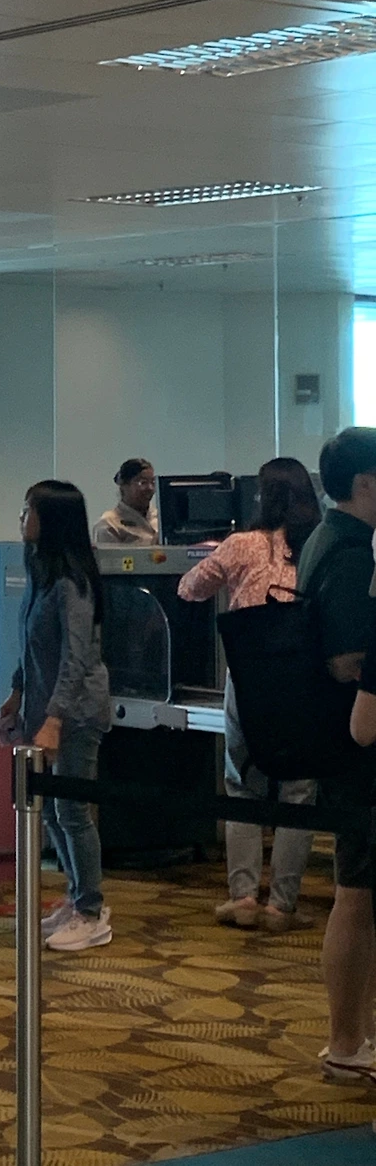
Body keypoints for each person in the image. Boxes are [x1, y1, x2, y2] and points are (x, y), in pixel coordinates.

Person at [178, 458, 322, 931]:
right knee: (298, 792)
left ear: (263, 497)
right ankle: (282, 905)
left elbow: (189, 589)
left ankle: (242, 897)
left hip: (248, 678)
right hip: (304, 680)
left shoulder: (241, 544)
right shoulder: (316, 545)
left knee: (242, 783)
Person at [293, 428, 376, 1084]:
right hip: (359, 749)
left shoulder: (324, 538)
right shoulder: (350, 553)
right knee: (355, 894)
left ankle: (352, 1038)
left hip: (339, 743)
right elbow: (348, 660)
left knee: (357, 893)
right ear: (365, 483)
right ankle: (348, 1040)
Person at [0, 480, 112, 953]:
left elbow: (76, 658)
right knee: (49, 811)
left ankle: (91, 910)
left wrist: (55, 718)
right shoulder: (40, 571)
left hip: (77, 712)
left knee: (72, 811)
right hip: (44, 707)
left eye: (29, 510)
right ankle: (76, 894)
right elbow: (31, 645)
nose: (22, 518)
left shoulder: (72, 583)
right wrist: (17, 694)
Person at [90, 458, 159, 547]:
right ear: (124, 486)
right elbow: (110, 556)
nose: (150, 488)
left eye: (153, 482)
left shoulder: (161, 518)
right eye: (143, 482)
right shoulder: (108, 524)